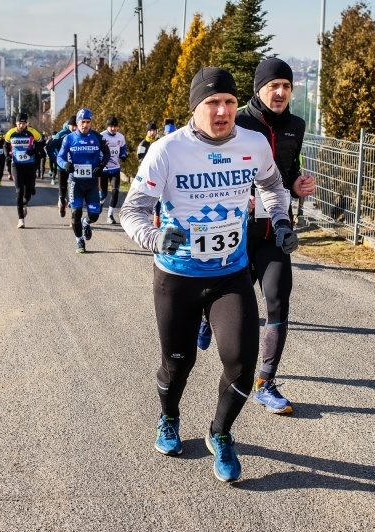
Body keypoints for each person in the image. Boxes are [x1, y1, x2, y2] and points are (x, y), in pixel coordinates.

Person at [120, 67, 298, 483]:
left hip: (229, 274)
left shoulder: (253, 144)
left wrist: (280, 218)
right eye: (212, 103)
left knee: (241, 363)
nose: (222, 111)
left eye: (230, 102)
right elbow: (133, 210)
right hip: (177, 277)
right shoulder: (167, 151)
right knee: (177, 365)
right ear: (194, 108)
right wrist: (153, 238)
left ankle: (220, 432)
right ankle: (169, 417)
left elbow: (274, 186)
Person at [197, 58, 315, 415]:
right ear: (258, 88)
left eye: (286, 86)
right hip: (237, 232)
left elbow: (288, 172)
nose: (280, 92)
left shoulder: (296, 125)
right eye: (273, 85)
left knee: (278, 301)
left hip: (275, 231)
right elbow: (213, 169)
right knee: (227, 300)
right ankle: (204, 318)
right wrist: (238, 195)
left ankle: (265, 382)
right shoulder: (239, 122)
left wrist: (296, 185)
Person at [56, 108, 107, 253]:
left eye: (88, 122)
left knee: (94, 215)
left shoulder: (97, 137)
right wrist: (65, 164)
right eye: (82, 122)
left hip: (91, 183)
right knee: (75, 213)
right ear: (77, 122)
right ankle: (79, 240)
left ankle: (86, 222)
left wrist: (101, 166)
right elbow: (60, 157)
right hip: (75, 183)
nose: (85, 125)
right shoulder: (69, 138)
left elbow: (107, 153)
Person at [5, 112, 43, 229]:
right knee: (19, 191)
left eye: (24, 123)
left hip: (30, 165)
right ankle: (21, 219)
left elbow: (42, 143)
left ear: (27, 123)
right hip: (16, 165)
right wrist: (7, 156)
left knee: (28, 191)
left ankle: (25, 202)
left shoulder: (32, 132)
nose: (21, 126)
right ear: (16, 123)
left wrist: (33, 151)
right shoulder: (11, 133)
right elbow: (5, 145)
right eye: (19, 123)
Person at [46, 117, 77, 218]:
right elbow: (49, 148)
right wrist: (56, 160)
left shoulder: (80, 135)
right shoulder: (61, 134)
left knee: (74, 190)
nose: (75, 128)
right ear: (68, 125)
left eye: (76, 126)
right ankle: (62, 202)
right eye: (73, 126)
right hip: (62, 167)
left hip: (75, 167)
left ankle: (74, 217)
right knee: (62, 190)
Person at [100, 116, 128, 224]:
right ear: (107, 126)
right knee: (103, 193)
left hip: (115, 169)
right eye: (111, 126)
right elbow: (97, 149)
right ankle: (100, 203)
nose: (113, 129)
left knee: (115, 191)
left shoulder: (120, 137)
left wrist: (123, 155)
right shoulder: (102, 136)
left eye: (115, 126)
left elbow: (122, 148)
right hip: (103, 169)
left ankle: (110, 215)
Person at [136, 122, 160, 226]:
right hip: (146, 173)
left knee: (158, 196)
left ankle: (156, 217)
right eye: (150, 130)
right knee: (145, 195)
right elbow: (140, 158)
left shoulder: (159, 142)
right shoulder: (143, 144)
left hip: (158, 173)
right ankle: (141, 216)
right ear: (147, 132)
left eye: (154, 130)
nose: (152, 132)